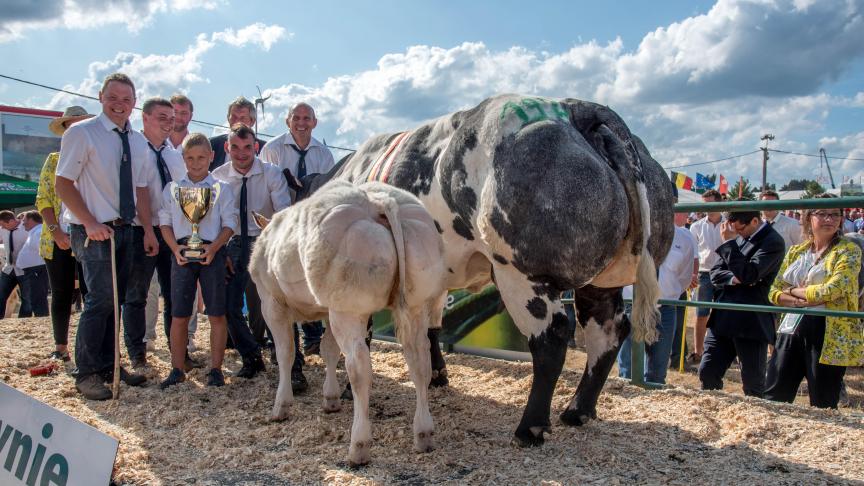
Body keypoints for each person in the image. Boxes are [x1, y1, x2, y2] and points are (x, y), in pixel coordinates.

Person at [55, 72, 154, 400]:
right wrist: (89, 222)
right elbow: (63, 184)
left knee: (117, 301)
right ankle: (86, 372)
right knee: (100, 299)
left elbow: (140, 189)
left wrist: (148, 230)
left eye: (126, 100)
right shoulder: (82, 134)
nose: (119, 105)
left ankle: (110, 366)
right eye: (113, 97)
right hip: (92, 230)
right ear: (101, 97)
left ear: (134, 104)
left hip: (126, 229)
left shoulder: (138, 142)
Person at [765, 196, 863, 408]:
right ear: (809, 218)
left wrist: (792, 291)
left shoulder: (848, 250)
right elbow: (773, 291)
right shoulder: (796, 251)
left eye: (835, 214)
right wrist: (796, 300)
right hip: (791, 326)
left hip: (828, 330)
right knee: (774, 394)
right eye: (822, 213)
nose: (829, 219)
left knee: (823, 400)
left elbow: (835, 288)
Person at [260, 102, 335, 372]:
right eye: (296, 118)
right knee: (279, 287)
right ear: (287, 121)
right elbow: (266, 185)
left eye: (307, 118)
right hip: (280, 226)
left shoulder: (323, 154)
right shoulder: (272, 149)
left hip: (309, 228)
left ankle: (313, 338)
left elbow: (327, 191)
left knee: (309, 279)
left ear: (315, 122)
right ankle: (279, 347)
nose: (301, 123)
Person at [158, 133, 237, 389]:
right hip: (182, 253)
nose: (195, 162)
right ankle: (177, 368)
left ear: (211, 157)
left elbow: (230, 225)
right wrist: (174, 249)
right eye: (190, 158)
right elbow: (165, 223)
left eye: (201, 157)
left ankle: (215, 369)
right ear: (183, 158)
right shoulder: (172, 188)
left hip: (212, 253)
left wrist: (214, 248)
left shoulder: (221, 188)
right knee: (179, 314)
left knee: (216, 313)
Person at [213, 124, 291, 381]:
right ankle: (251, 357)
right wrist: (220, 251)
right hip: (232, 243)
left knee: (278, 303)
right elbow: (214, 219)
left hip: (265, 240)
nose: (241, 153)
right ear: (227, 148)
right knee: (229, 306)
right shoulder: (218, 177)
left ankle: (291, 364)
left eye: (248, 147)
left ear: (256, 147)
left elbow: (282, 213)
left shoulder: (272, 173)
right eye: (235, 147)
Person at [122, 97, 187, 370]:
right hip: (141, 230)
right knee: (137, 294)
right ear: (145, 117)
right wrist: (149, 230)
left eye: (171, 118)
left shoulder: (174, 155)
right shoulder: (135, 148)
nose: (168, 122)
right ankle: (137, 353)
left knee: (175, 294)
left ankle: (178, 352)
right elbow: (139, 193)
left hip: (171, 231)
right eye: (162, 116)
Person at [698, 205, 785, 397]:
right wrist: (735, 278)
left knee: (753, 382)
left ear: (755, 221)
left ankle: (757, 421)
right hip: (723, 317)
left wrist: (730, 245)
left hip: (751, 321)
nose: (737, 234)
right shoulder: (738, 238)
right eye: (734, 231)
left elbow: (749, 274)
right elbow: (715, 273)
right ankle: (713, 410)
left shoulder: (773, 242)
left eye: (740, 229)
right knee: (707, 371)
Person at [618, 184, 697, 383]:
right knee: (627, 369)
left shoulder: (685, 237)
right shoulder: (629, 231)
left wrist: (667, 292)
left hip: (666, 306)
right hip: (631, 304)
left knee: (657, 370)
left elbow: (684, 277)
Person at [38, 105, 93, 360]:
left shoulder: (94, 158)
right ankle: (60, 346)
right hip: (57, 238)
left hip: (89, 235)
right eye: (71, 126)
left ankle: (88, 348)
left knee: (90, 293)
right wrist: (56, 232)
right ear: (65, 131)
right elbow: (44, 199)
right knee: (60, 293)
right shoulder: (53, 160)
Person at [688, 189, 724, 362]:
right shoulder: (696, 226)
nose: (707, 209)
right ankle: (698, 351)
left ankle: (723, 350)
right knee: (701, 313)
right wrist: (692, 273)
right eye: (704, 205)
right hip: (704, 272)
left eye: (710, 204)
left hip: (725, 273)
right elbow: (693, 253)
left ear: (719, 203)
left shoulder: (729, 224)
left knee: (724, 313)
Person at [208, 97, 265, 171]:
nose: (237, 122)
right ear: (228, 119)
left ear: (252, 121)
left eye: (242, 118)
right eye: (234, 117)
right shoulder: (212, 145)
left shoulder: (265, 149)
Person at [16, 211, 49, 317]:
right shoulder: (34, 231)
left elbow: (42, 250)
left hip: (37, 269)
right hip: (34, 269)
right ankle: (40, 316)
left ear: (31, 220)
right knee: (35, 295)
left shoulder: (39, 231)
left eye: (24, 220)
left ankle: (41, 317)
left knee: (37, 295)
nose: (23, 223)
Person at [0, 210, 31, 318]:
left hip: (24, 269)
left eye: (3, 225)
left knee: (27, 299)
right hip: (8, 269)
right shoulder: (2, 230)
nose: (2, 228)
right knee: (1, 295)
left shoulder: (26, 228)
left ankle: (24, 321)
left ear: (11, 221)